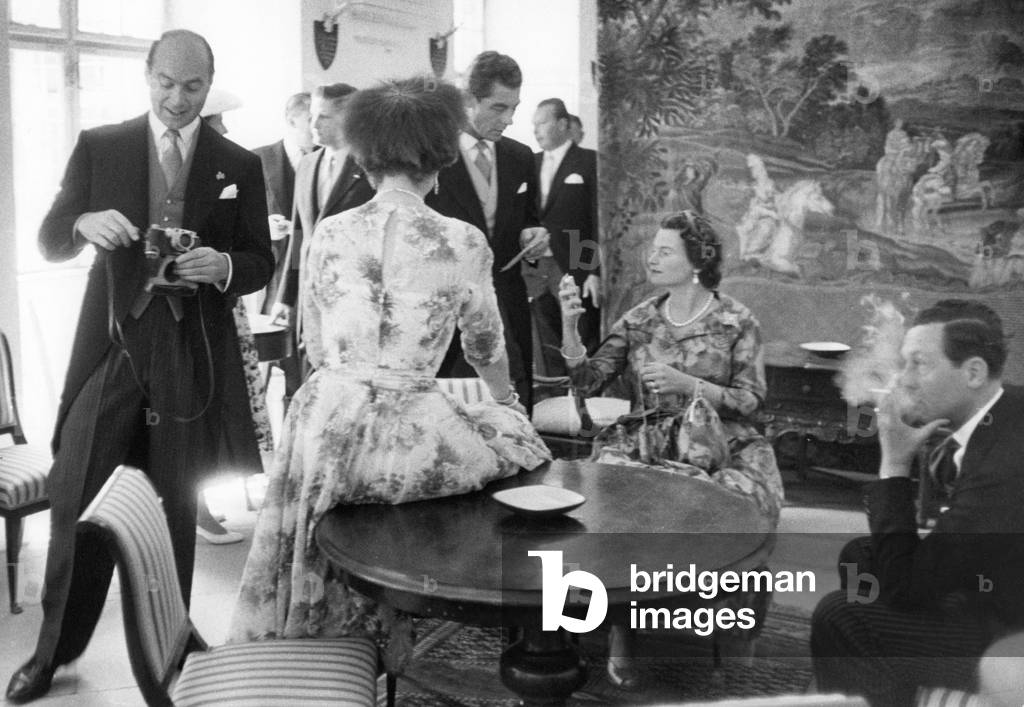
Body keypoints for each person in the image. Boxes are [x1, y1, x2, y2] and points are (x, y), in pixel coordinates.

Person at [227, 77, 550, 657]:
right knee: (518, 447)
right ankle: (430, 624)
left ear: (366, 157)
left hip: (325, 426)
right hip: (410, 438)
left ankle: (320, 641)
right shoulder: (462, 240)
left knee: (311, 535)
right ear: (439, 160)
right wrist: (506, 403)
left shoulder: (330, 233)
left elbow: (316, 343)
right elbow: (484, 347)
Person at [6, 29, 273, 703]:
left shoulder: (239, 164)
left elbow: (259, 262)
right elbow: (50, 236)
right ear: (147, 76)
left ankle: (170, 644)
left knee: (174, 505)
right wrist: (82, 222)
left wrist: (225, 266)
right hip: (113, 345)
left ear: (209, 85)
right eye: (166, 83)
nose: (177, 99)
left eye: (192, 86)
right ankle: (53, 652)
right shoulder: (102, 145)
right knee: (77, 496)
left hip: (189, 353)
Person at [558, 210, 783, 688]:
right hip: (648, 437)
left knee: (739, 506)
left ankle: (728, 624)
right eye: (653, 249)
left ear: (697, 262)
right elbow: (589, 379)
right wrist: (570, 328)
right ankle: (617, 629)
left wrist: (689, 385)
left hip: (721, 440)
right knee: (603, 506)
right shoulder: (640, 317)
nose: (652, 258)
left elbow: (751, 401)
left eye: (665, 251)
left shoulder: (736, 321)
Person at [811, 300, 1024, 705]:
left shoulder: (1004, 465)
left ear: (974, 372)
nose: (904, 381)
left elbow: (905, 587)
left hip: (1009, 624)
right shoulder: (1008, 410)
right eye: (904, 363)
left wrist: (894, 463)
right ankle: (885, 689)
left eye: (919, 364)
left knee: (843, 615)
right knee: (860, 556)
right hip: (1000, 582)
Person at [425, 51, 550, 412]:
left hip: (508, 303)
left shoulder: (520, 157)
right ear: (468, 100)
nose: (508, 120)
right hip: (446, 309)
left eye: (514, 108)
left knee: (515, 404)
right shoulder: (431, 156)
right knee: (449, 411)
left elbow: (530, 218)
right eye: (498, 108)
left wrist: (534, 234)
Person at [198, 89, 272, 545]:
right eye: (218, 120)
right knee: (198, 409)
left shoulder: (235, 167)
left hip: (223, 304)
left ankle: (202, 501)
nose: (225, 128)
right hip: (188, 314)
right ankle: (193, 505)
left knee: (224, 408)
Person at [272, 83, 375, 403]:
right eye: (313, 116)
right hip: (308, 300)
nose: (314, 124)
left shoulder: (372, 167)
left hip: (354, 300)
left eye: (324, 117)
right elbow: (298, 236)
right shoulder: (308, 164)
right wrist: (286, 297)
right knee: (305, 388)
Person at [528, 97, 600, 376]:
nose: (536, 130)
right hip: (536, 268)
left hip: (575, 262)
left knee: (582, 334)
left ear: (561, 124)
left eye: (542, 123)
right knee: (545, 340)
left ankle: (585, 394)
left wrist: (593, 270)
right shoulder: (530, 162)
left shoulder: (589, 161)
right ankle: (554, 394)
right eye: (533, 125)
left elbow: (595, 219)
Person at [253, 92, 314, 313]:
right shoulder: (255, 160)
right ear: (291, 121)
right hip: (275, 274)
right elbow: (236, 219)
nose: (318, 125)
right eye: (311, 119)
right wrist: (263, 227)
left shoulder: (330, 162)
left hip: (315, 272)